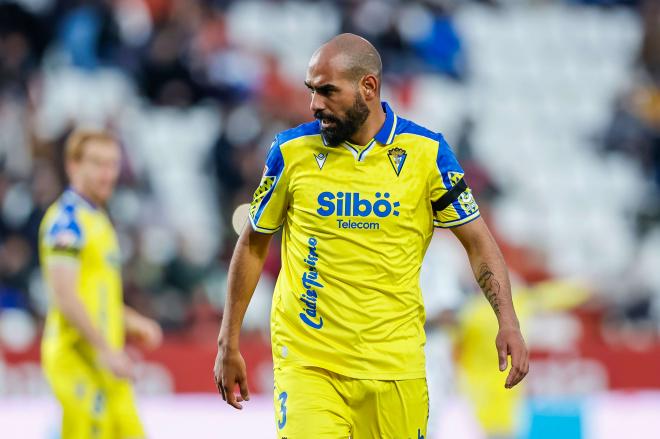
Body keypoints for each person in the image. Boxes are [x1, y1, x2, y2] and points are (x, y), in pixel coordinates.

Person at [214, 33, 529, 438]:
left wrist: (509, 322)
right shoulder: (291, 152)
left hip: (396, 368)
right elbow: (253, 244)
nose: (315, 104)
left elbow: (479, 243)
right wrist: (229, 340)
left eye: (328, 91)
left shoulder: (427, 154)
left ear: (368, 86)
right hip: (310, 365)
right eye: (312, 91)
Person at [39, 130, 162, 439]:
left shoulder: (99, 220)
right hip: (78, 357)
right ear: (72, 165)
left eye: (112, 164)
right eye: (97, 163)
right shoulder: (65, 223)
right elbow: (65, 297)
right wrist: (106, 350)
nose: (107, 173)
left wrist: (133, 321)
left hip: (106, 360)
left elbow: (98, 297)